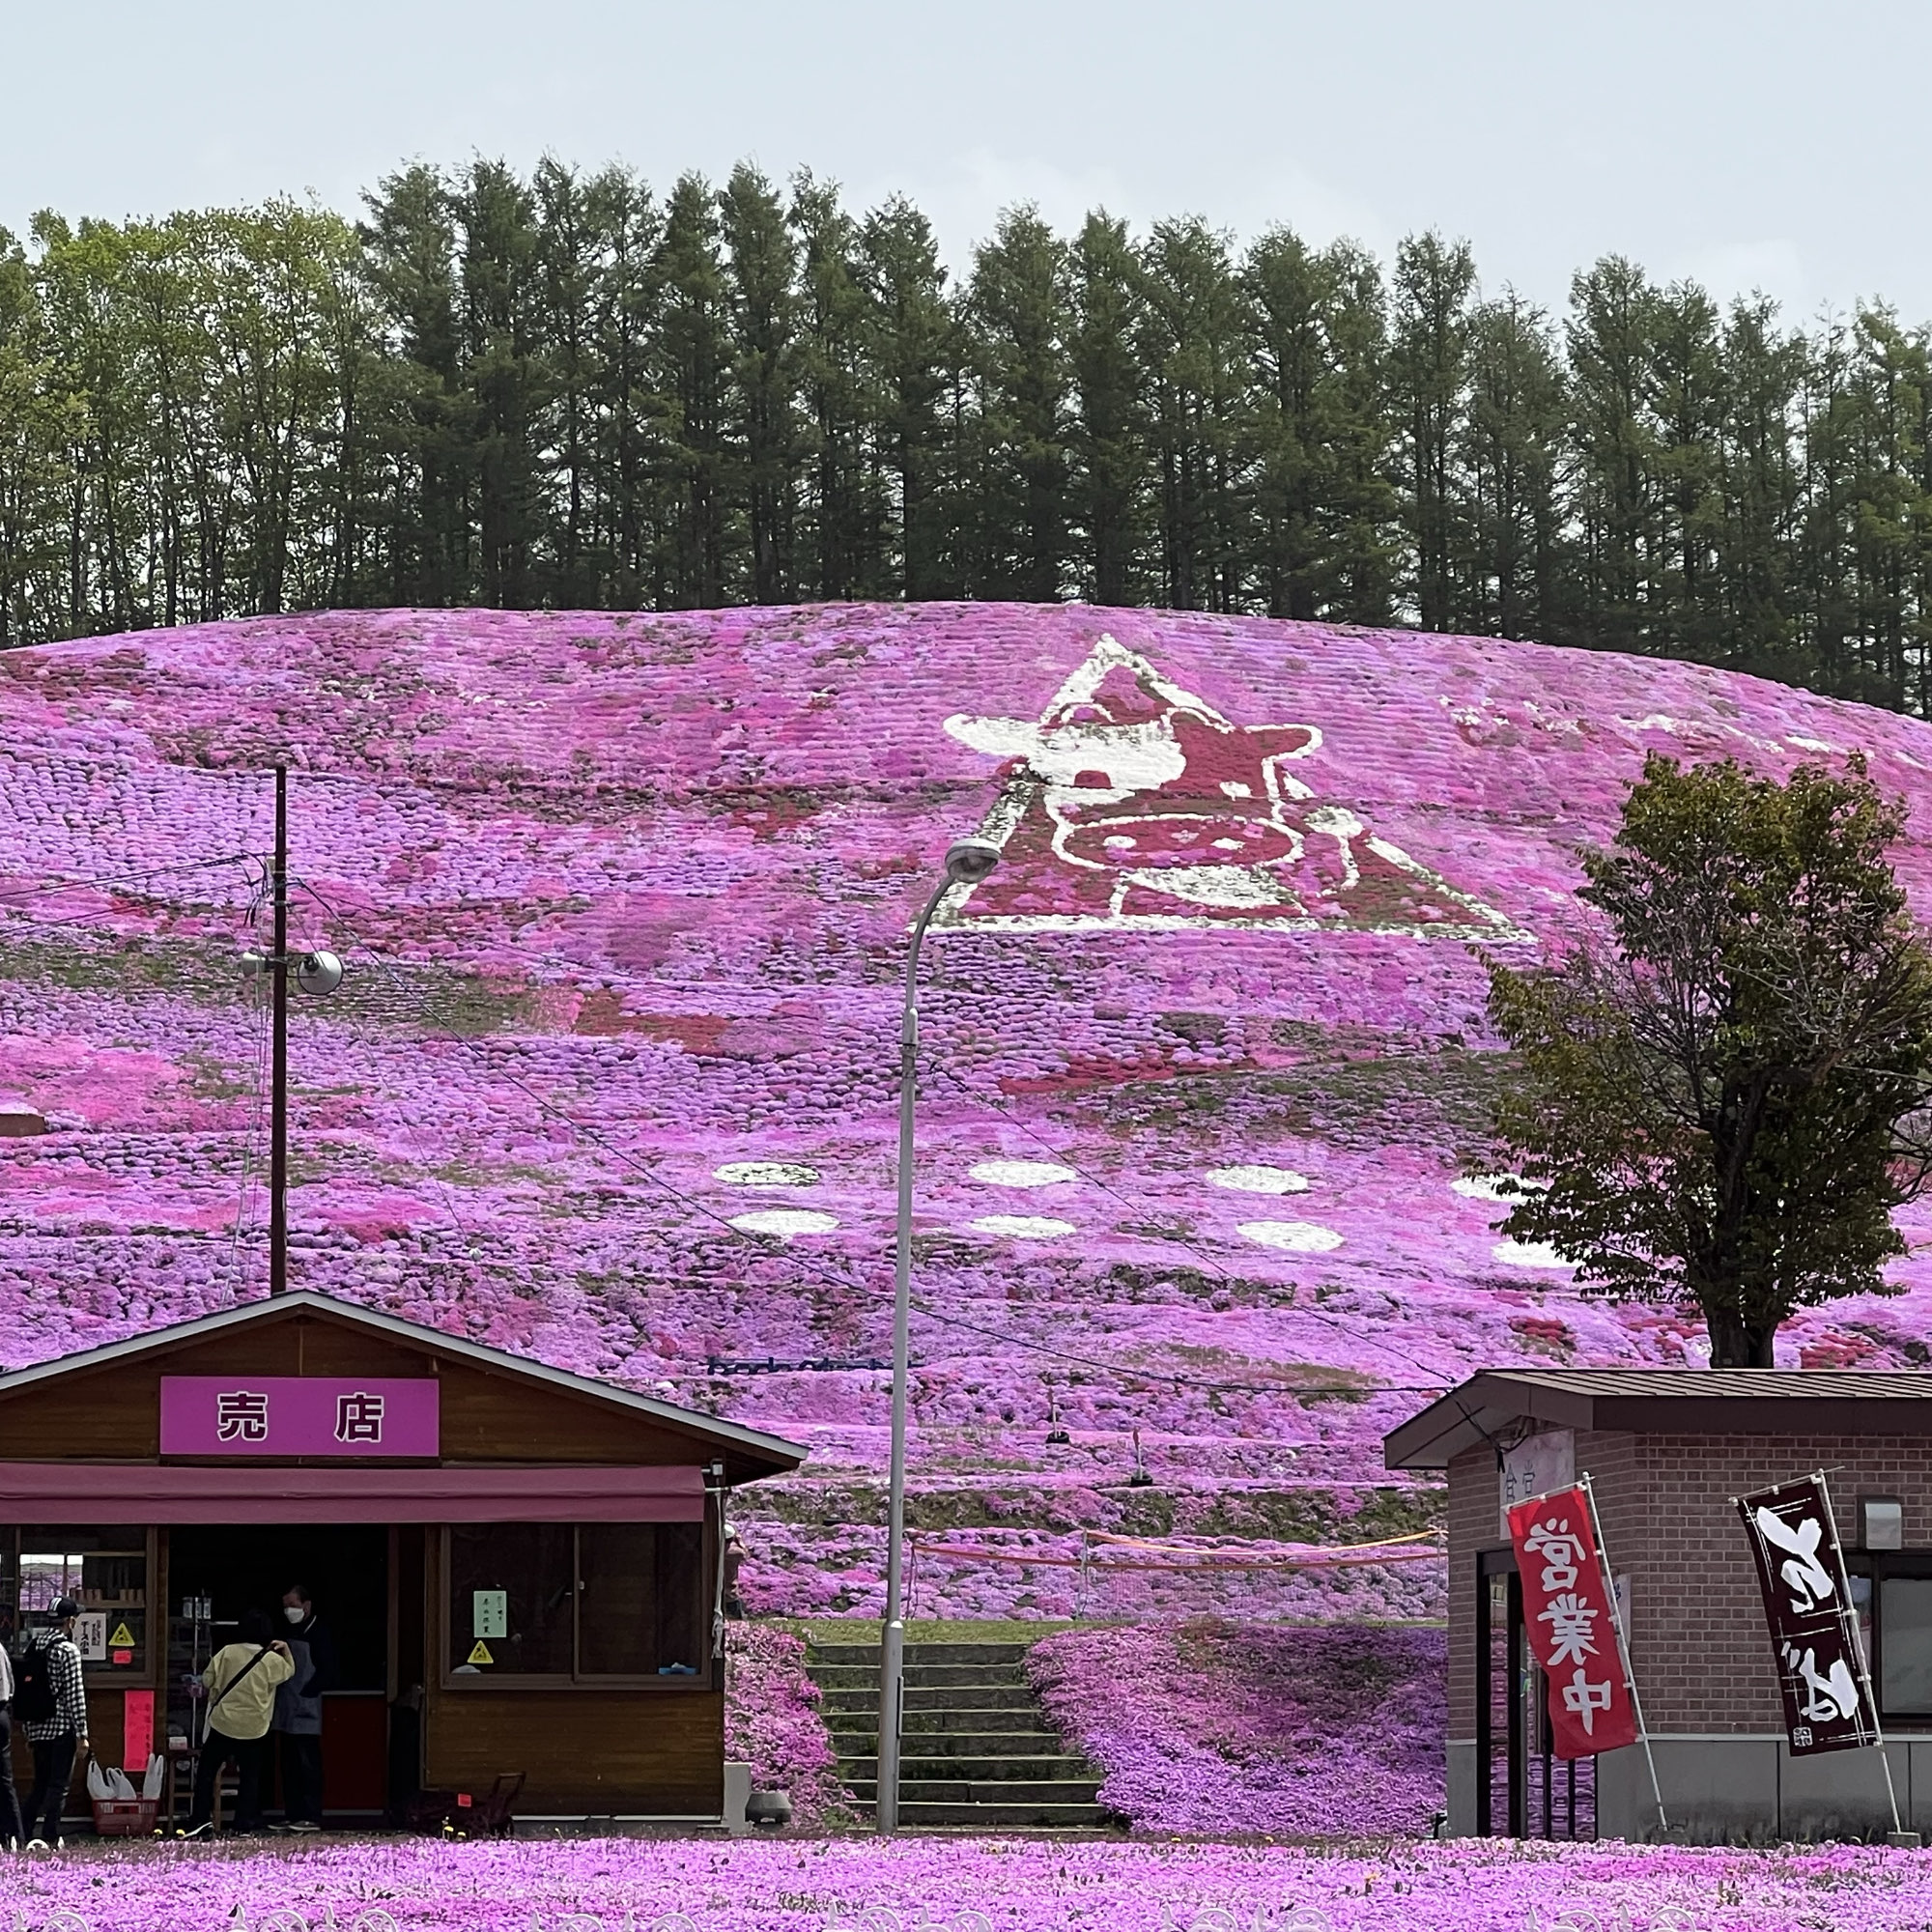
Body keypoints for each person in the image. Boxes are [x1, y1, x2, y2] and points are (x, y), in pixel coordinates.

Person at [184, 1609, 293, 1839]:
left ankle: (201, 1821)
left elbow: (207, 1680)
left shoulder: (227, 1653)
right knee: (250, 1777)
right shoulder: (272, 1660)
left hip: (223, 1722)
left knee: (206, 1773)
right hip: (254, 1727)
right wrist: (285, 1650)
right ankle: (243, 1825)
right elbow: (289, 1671)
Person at [19, 1596, 88, 1851]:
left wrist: (28, 1732)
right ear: (70, 1621)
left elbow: (25, 1694)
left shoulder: (34, 1646)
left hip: (36, 1727)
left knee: (40, 1782)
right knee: (59, 1784)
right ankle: (50, 1835)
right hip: (61, 1728)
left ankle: (23, 1830)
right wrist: (82, 1733)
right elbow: (75, 1694)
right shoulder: (67, 1651)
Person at [272, 1583, 337, 1834]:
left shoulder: (320, 1632)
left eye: (294, 1606)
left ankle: (311, 1816)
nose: (289, 1611)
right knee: (288, 1765)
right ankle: (292, 1814)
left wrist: (306, 1693)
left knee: (308, 1764)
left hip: (308, 1708)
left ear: (307, 1606)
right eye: (286, 1606)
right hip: (286, 1707)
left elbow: (328, 1670)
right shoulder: (286, 1630)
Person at [0, 1630, 25, 1850]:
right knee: (4, 1779)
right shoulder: (1, 1650)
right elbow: (12, 1687)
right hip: (2, 1713)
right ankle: (15, 1834)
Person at [723, 1527, 748, 1620]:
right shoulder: (736, 1552)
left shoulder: (719, 1552)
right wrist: (739, 1540)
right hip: (732, 1593)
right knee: (736, 1622)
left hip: (718, 1593)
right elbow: (745, 1553)